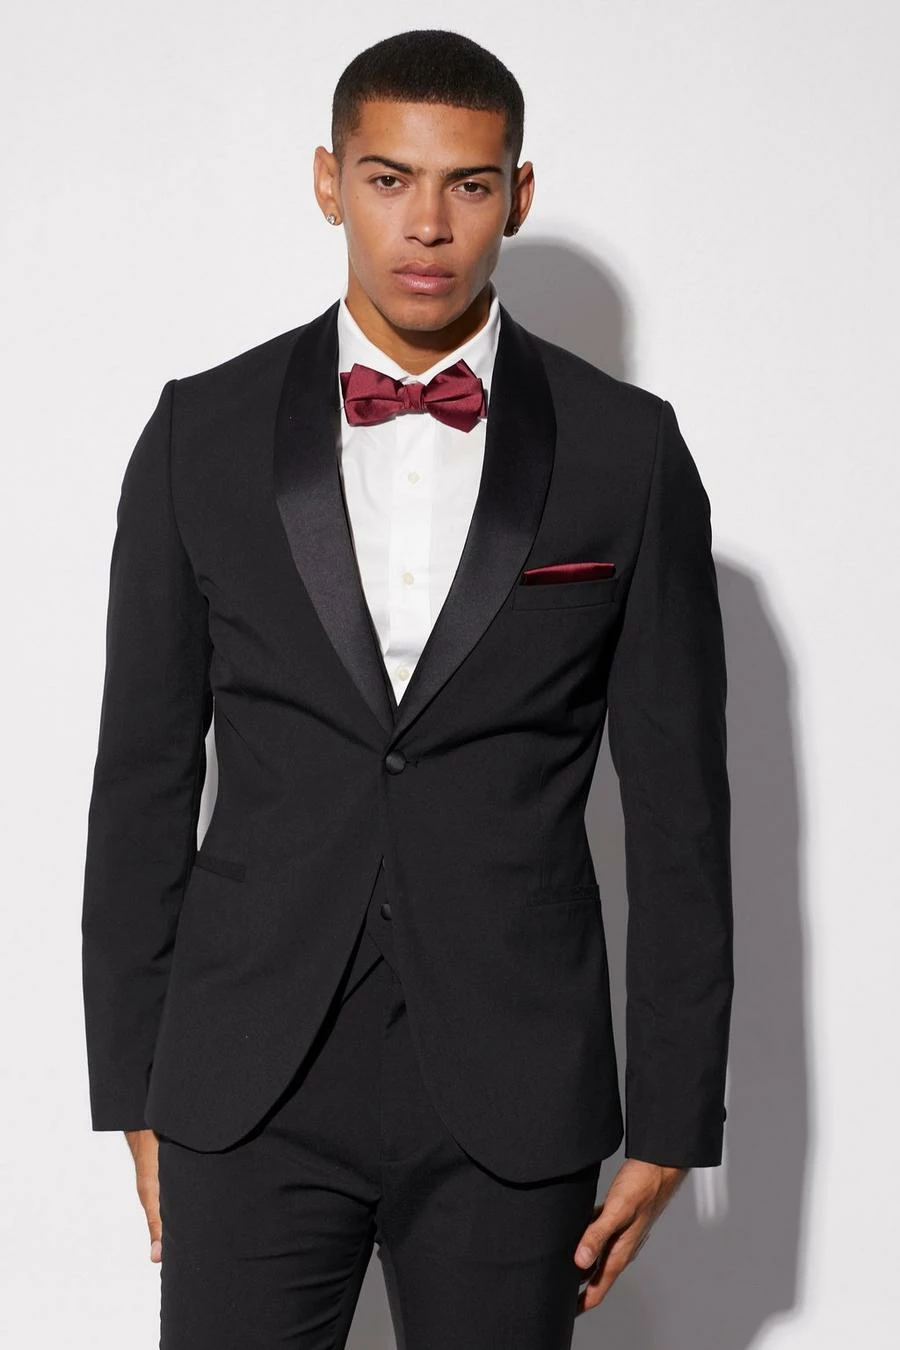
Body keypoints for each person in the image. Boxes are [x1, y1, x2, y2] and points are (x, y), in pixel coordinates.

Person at [80, 27, 734, 1349]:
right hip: (245, 1080)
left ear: (518, 195)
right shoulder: (200, 433)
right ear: (330, 182)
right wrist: (133, 1088)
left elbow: (681, 812)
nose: (427, 224)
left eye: (468, 184)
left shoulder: (628, 451)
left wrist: (673, 1121)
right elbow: (141, 777)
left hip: (514, 1085)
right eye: (389, 179)